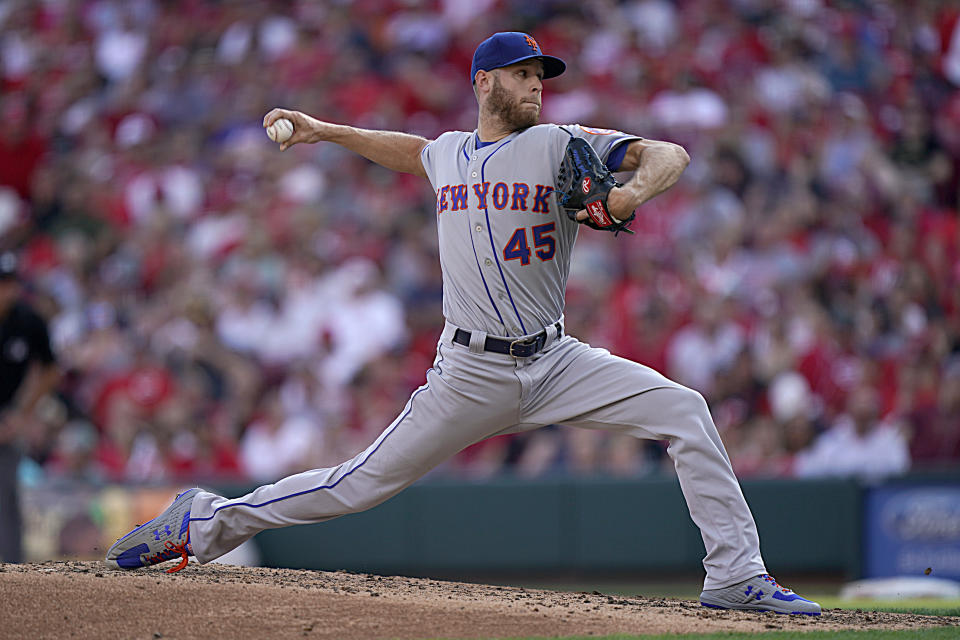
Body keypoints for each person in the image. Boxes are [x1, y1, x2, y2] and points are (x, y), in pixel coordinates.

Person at [106, 32, 820, 615]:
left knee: (685, 410)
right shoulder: (448, 153)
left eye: (543, 75)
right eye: (523, 74)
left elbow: (672, 154)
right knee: (357, 485)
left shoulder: (559, 143)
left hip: (556, 361)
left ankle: (734, 574)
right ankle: (206, 520)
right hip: (470, 372)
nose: (538, 85)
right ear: (484, 83)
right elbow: (408, 150)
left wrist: (629, 193)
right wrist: (325, 132)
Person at [0, 251, 60, 562]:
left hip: (8, 416)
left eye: (10, 283)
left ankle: (10, 569)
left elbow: (51, 368)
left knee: (7, 495)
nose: (6, 290)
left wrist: (22, 414)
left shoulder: (27, 320)